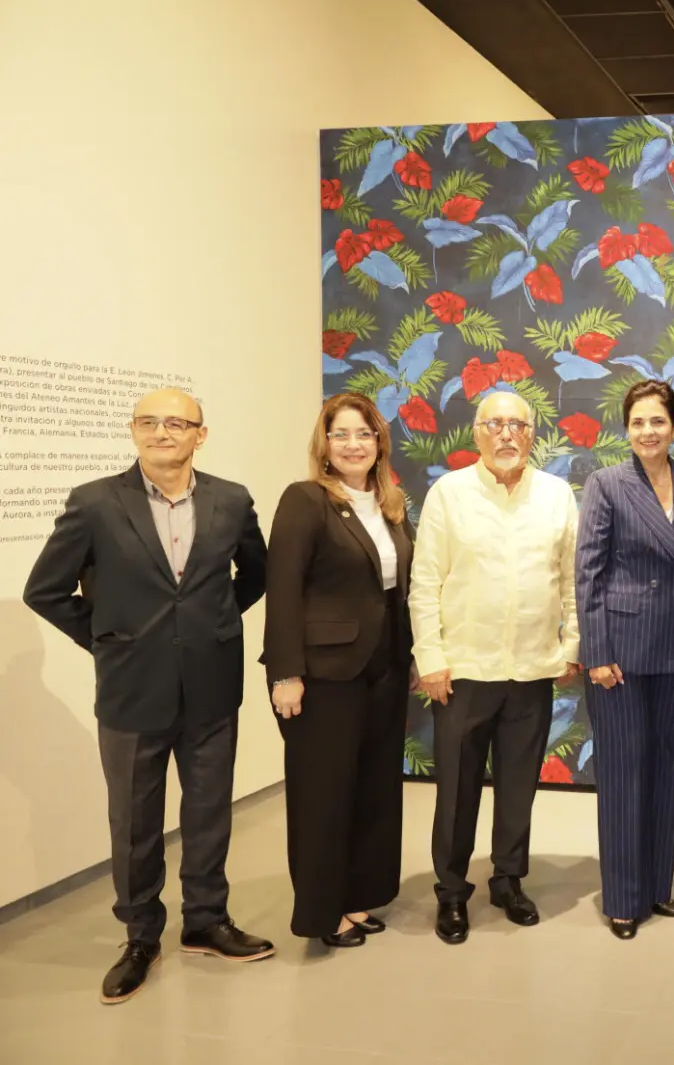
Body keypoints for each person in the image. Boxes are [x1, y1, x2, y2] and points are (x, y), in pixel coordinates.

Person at [24, 388, 274, 1004]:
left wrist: (208, 627)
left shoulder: (232, 499)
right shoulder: (94, 504)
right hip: (131, 691)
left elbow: (257, 575)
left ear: (200, 433)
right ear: (133, 431)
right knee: (135, 823)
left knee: (210, 811)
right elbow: (46, 591)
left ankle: (206, 921)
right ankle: (140, 936)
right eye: (149, 422)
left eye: (176, 422)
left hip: (213, 687)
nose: (162, 432)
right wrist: (111, 641)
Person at [409, 390, 580, 945]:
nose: (507, 434)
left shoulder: (556, 496)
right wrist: (431, 659)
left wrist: (571, 646)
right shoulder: (449, 494)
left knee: (517, 788)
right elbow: (424, 584)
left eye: (518, 425)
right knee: (456, 790)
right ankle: (452, 892)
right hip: (464, 672)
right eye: (495, 424)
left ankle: (508, 879)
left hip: (531, 671)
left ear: (532, 435)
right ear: (477, 433)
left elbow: (573, 580)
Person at [262, 393, 414, 949]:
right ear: (324, 445)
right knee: (322, 796)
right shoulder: (306, 501)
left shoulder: (391, 505)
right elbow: (282, 589)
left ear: (379, 443)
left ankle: (356, 896)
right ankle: (322, 913)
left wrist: (413, 657)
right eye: (341, 434)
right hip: (323, 675)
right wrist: (285, 673)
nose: (353, 444)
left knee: (372, 790)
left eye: (364, 434)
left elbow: (396, 591)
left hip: (385, 670)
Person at [575, 380, 674, 940]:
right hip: (621, 651)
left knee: (664, 769)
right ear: (626, 429)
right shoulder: (607, 484)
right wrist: (597, 652)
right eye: (638, 423)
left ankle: (658, 885)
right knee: (624, 773)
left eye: (658, 421)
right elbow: (588, 572)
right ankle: (624, 899)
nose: (648, 432)